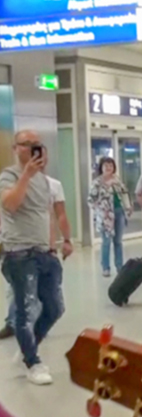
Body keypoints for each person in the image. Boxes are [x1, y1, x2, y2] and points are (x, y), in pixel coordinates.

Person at [0, 131, 66, 385]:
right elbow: (11, 204)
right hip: (19, 254)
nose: (35, 149)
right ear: (17, 148)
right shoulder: (9, 175)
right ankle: (33, 362)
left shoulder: (44, 181)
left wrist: (54, 245)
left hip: (43, 251)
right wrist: (26, 175)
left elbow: (45, 214)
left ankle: (29, 346)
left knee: (55, 307)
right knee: (25, 310)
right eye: (28, 145)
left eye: (37, 145)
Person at [2, 147, 72, 344]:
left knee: (51, 301)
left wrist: (66, 240)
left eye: (41, 153)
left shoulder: (53, 185)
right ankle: (16, 328)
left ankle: (34, 333)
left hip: (45, 248)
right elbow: (10, 206)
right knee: (20, 295)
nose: (39, 158)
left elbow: (60, 214)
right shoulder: (12, 180)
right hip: (19, 250)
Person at [88, 157, 131, 278]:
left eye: (111, 165)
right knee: (106, 242)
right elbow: (91, 200)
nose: (108, 168)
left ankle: (119, 266)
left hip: (119, 212)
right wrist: (101, 210)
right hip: (106, 216)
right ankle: (105, 268)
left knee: (118, 241)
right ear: (101, 167)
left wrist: (128, 207)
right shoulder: (97, 183)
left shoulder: (117, 181)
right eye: (106, 165)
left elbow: (125, 194)